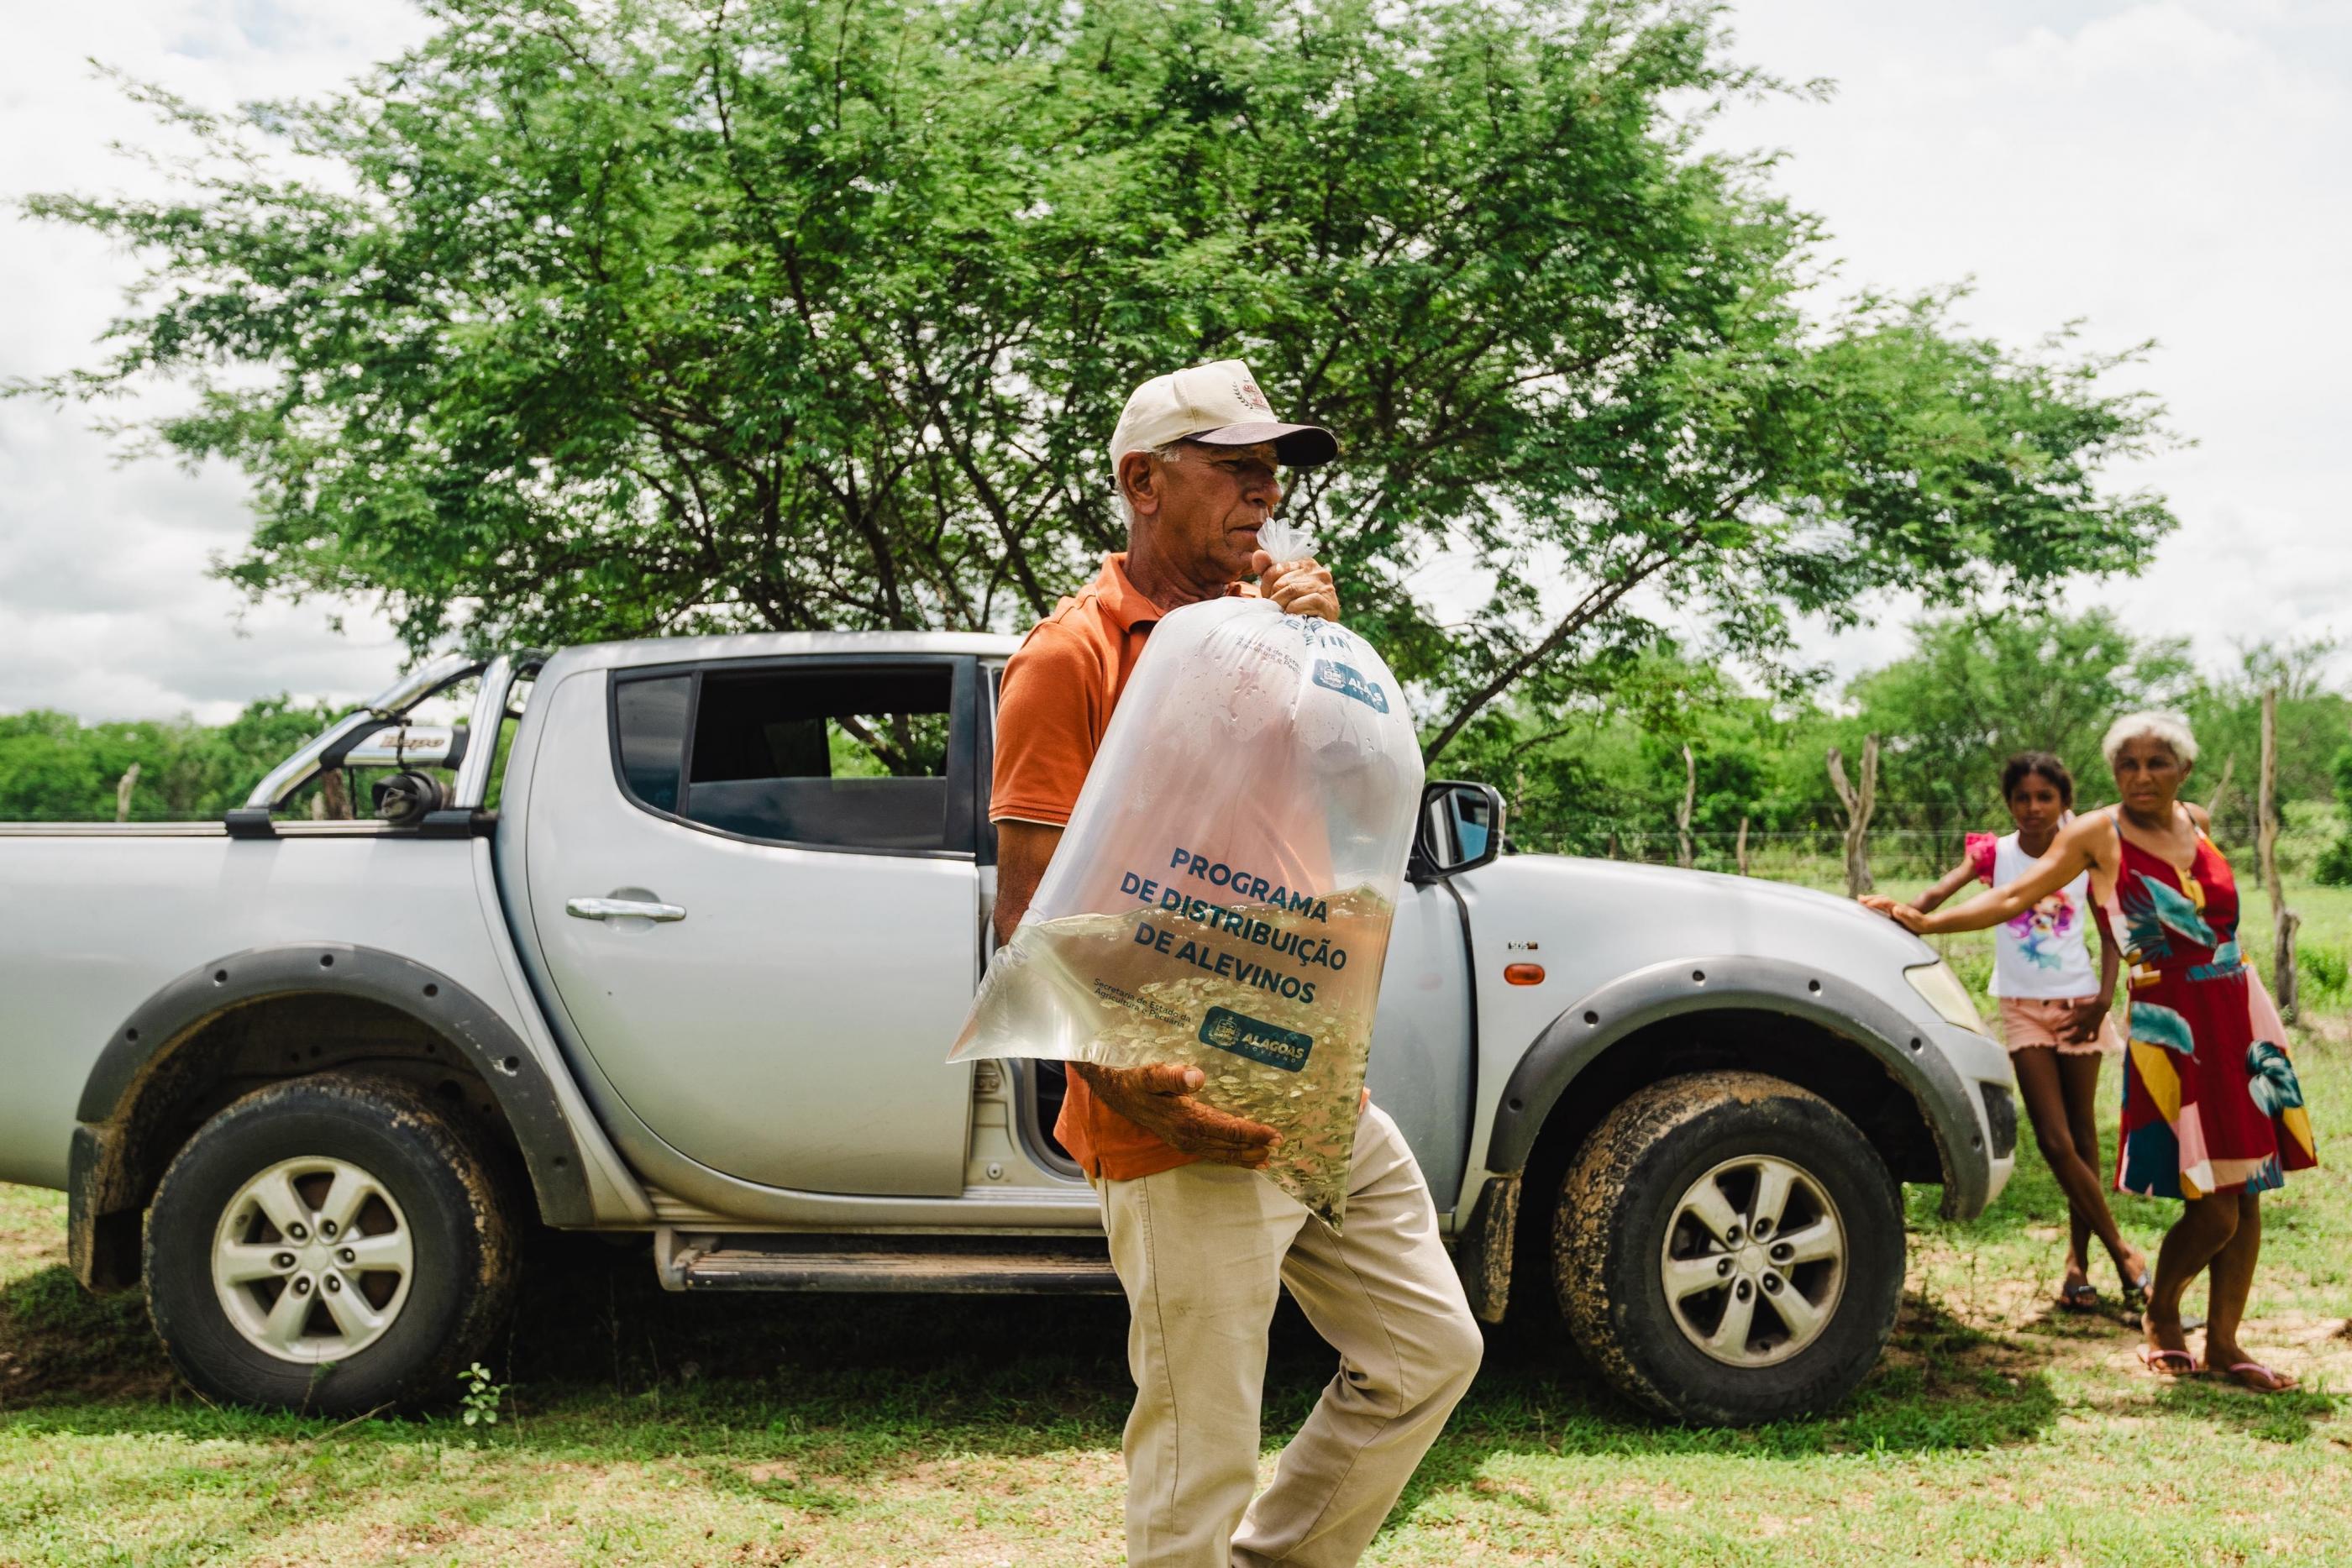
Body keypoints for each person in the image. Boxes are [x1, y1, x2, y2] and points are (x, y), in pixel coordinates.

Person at [989, 360, 1482, 1565]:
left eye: (1276, 469)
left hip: (1308, 1077)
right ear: (1141, 481)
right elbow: (1030, 912)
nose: (1266, 490)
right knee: (1197, 1455)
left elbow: (1345, 805)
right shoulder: (1076, 656)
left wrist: (1324, 655)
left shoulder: (1274, 637)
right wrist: (1113, 1076)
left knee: (1428, 1348)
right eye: (1237, 465)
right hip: (1175, 1105)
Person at [1862, 714, 2319, 1392]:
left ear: (2183, 771)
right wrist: (1927, 918)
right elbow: (2016, 893)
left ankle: (2224, 1344)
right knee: (2215, 1206)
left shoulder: (2198, 821)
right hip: (2175, 1022)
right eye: (2127, 764)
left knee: (2249, 1188)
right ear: (2112, 774)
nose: (2141, 775)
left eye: (2157, 762)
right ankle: (2163, 1315)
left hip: (2238, 1011)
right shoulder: (2095, 833)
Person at [1903, 753, 2150, 1314]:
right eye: (2023, 797)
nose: (2034, 807)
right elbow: (1935, 897)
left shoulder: (2085, 847)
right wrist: (1898, 912)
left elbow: (2113, 929)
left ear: (2064, 800)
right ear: (2009, 802)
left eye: (2046, 797)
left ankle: (2077, 1266)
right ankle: (2126, 1255)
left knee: (2084, 1140)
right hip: (2022, 1009)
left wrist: (2103, 998)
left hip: (2080, 1002)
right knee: (2054, 1140)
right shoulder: (1996, 854)